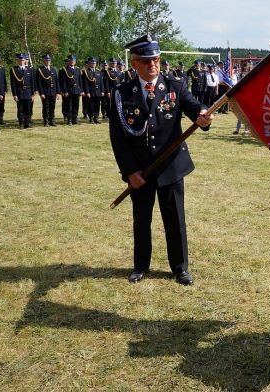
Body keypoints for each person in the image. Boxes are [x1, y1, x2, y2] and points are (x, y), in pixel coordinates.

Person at [109, 34, 214, 285]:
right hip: (141, 171)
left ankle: (180, 268)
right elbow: (118, 137)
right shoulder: (122, 93)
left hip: (170, 166)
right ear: (134, 63)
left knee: (175, 219)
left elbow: (192, 106)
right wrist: (130, 171)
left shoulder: (175, 86)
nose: (152, 65)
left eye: (155, 59)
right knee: (141, 220)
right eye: (146, 61)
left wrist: (202, 115)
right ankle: (140, 266)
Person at [10, 53, 36, 129]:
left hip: (28, 92)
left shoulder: (29, 69)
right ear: (17, 61)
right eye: (20, 60)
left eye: (23, 60)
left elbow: (32, 82)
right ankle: (21, 123)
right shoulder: (14, 70)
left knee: (28, 109)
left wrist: (33, 94)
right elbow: (13, 84)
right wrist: (14, 94)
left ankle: (27, 123)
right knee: (20, 109)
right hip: (19, 92)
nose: (22, 61)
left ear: (25, 60)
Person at [36, 54, 60, 127]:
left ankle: (52, 120)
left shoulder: (54, 69)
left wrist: (58, 92)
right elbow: (39, 83)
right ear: (44, 61)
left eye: (49, 60)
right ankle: (46, 121)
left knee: (52, 107)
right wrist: (41, 93)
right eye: (46, 60)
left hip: (53, 91)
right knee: (46, 107)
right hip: (45, 92)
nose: (48, 61)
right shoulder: (40, 70)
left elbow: (56, 81)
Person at [59, 55, 83, 125]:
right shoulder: (65, 70)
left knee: (76, 105)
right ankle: (69, 119)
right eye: (71, 60)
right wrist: (65, 91)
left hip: (77, 90)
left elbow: (79, 81)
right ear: (68, 61)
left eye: (73, 60)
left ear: (75, 61)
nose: (72, 62)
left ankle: (74, 119)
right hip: (69, 91)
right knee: (69, 105)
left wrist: (81, 90)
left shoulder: (77, 69)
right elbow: (63, 82)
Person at [82, 57, 104, 124]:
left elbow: (101, 82)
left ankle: (96, 118)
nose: (93, 64)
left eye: (94, 63)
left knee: (97, 105)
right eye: (92, 63)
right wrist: (87, 92)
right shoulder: (86, 72)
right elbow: (85, 83)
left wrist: (102, 91)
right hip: (90, 91)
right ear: (89, 63)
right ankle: (91, 118)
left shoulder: (98, 71)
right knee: (90, 105)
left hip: (98, 91)